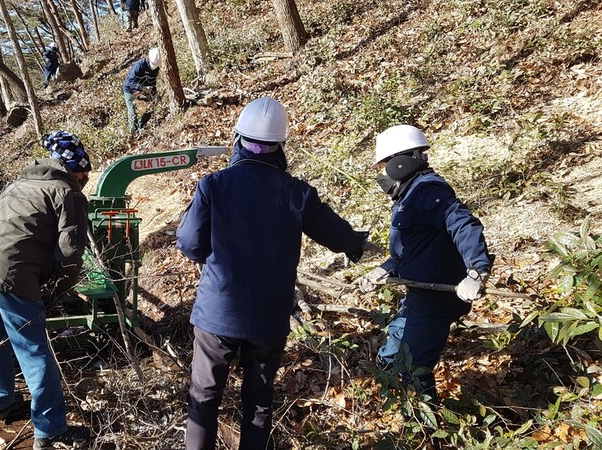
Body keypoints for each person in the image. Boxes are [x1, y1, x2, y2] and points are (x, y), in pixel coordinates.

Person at [176, 97, 372, 450]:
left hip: (218, 312)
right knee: (259, 401)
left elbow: (190, 243)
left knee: (204, 396)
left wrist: (214, 257)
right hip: (269, 316)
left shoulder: (214, 186)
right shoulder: (297, 192)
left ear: (237, 140)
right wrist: (357, 244)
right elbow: (335, 234)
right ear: (280, 146)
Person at [0, 130, 93, 450]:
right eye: (85, 174)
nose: (85, 180)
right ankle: (50, 431)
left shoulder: (19, 184)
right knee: (36, 353)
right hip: (11, 278)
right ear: (75, 170)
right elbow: (70, 253)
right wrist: (59, 291)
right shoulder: (69, 193)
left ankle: (2, 403)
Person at [356, 124, 493, 400]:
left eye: (383, 166)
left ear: (399, 163)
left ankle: (425, 431)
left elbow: (463, 225)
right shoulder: (408, 197)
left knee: (413, 369)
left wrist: (477, 271)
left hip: (435, 300)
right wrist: (382, 270)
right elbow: (411, 250)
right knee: (389, 356)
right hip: (417, 297)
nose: (381, 174)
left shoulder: (428, 191)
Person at [122, 47, 160, 133]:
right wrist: (142, 87)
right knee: (132, 110)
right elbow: (129, 82)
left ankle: (141, 126)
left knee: (151, 107)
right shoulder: (139, 65)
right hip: (130, 89)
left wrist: (153, 94)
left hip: (144, 90)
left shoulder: (156, 68)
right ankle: (133, 131)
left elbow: (153, 82)